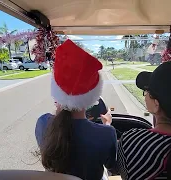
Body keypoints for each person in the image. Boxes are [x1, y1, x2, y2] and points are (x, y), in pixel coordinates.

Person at [35, 39, 117, 180]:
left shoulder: (43, 123)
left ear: (56, 91)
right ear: (92, 96)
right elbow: (112, 167)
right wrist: (107, 124)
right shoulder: (106, 133)